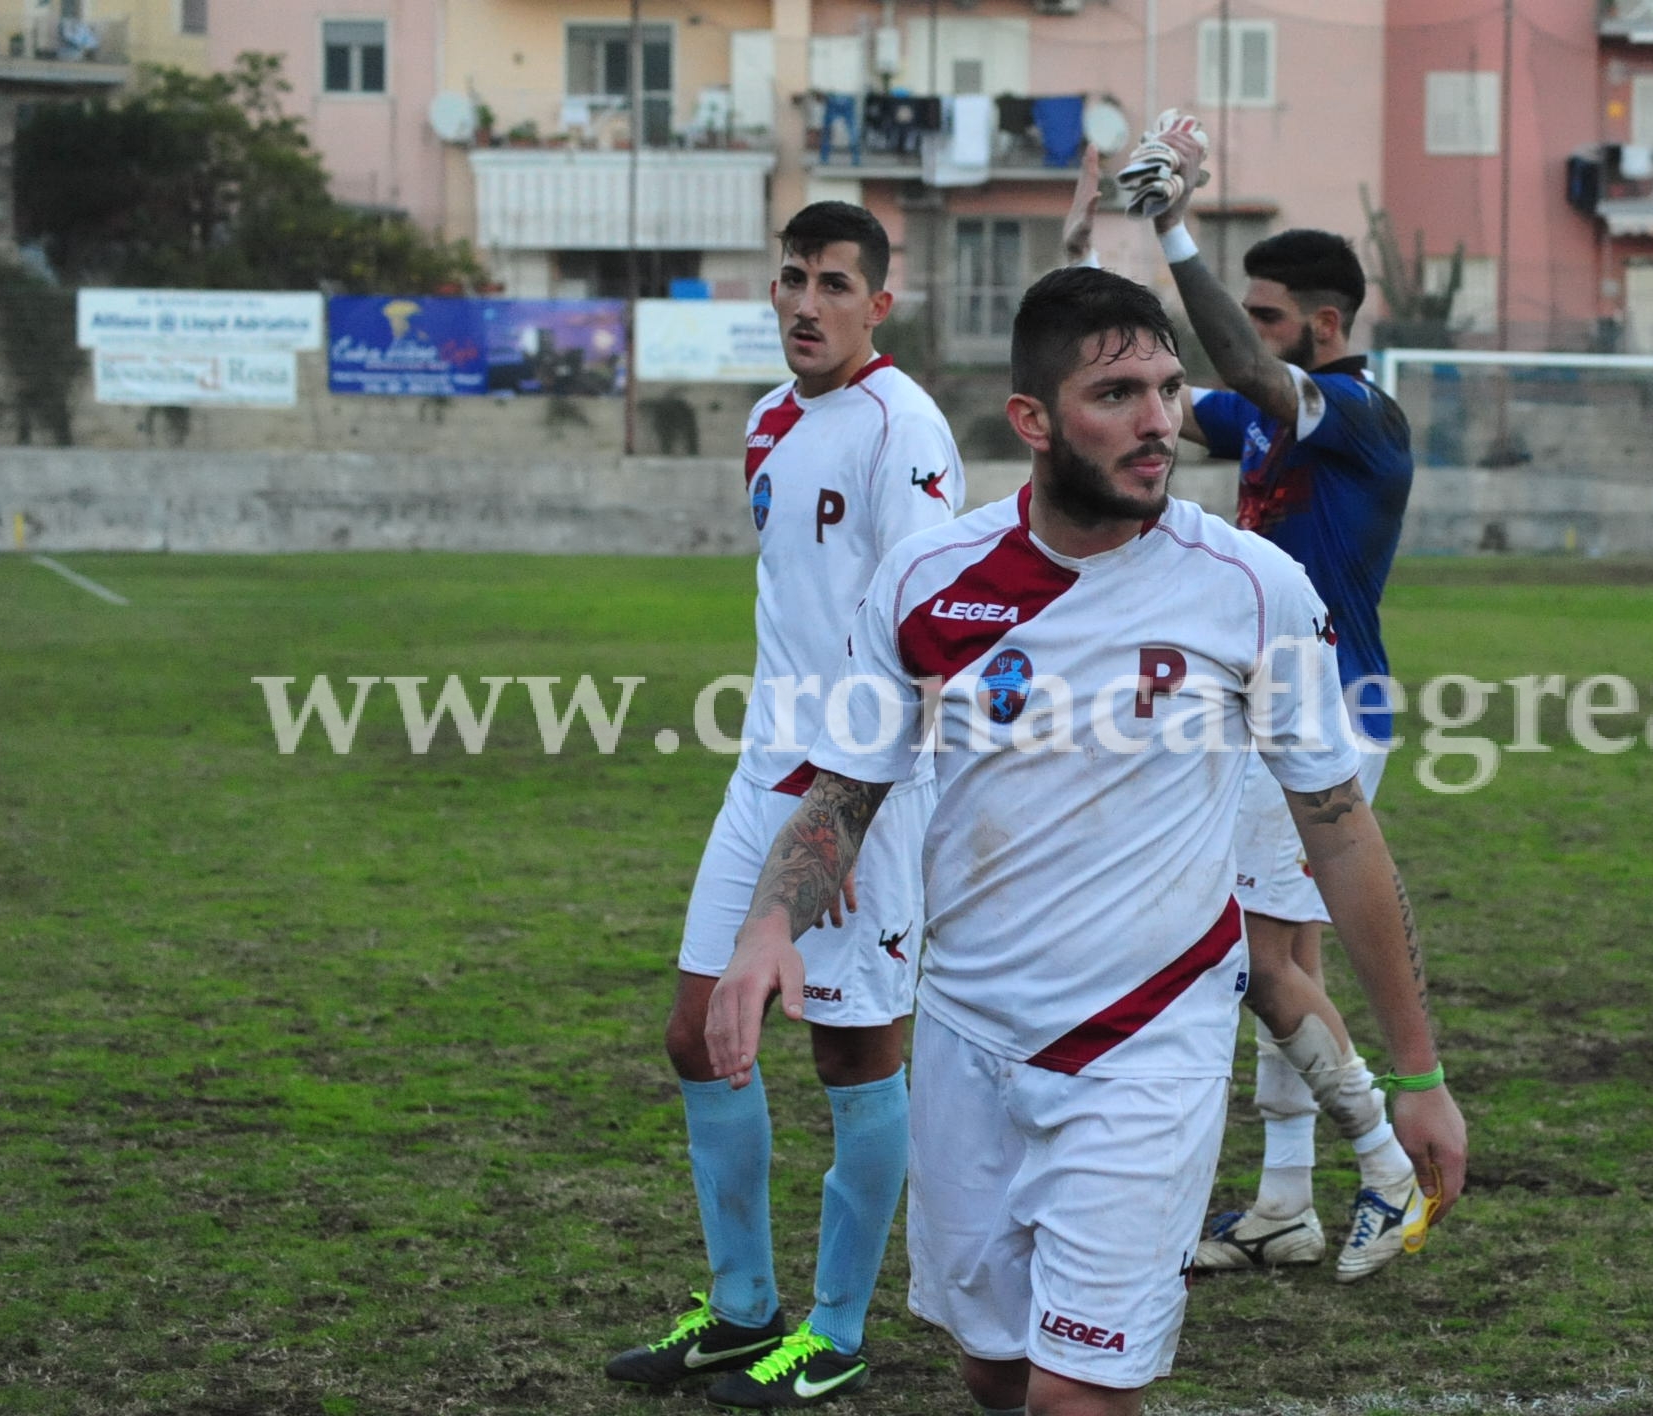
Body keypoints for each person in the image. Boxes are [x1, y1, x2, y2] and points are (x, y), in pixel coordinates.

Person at [703, 265, 1466, 1416]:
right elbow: (844, 789)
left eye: (1166, 388)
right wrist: (771, 925)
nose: (1158, 421)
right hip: (966, 1036)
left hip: (1147, 1046)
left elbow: (1342, 836)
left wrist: (1417, 1075)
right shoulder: (928, 582)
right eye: (1116, 394)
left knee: (1077, 1393)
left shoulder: (1251, 588)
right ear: (1032, 420)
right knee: (994, 1372)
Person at [603, 200, 965, 1406]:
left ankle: (836, 1327)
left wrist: (853, 806)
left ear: (879, 303)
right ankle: (741, 1308)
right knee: (700, 1036)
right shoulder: (765, 424)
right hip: (760, 777)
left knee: (855, 1057)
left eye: (834, 284)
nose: (806, 303)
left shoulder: (903, 425)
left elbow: (924, 628)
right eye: (793, 279)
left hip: (857, 792)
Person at [1074, 118, 1421, 1282]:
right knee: (1282, 956)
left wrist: (1174, 227)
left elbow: (1240, 372)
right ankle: (1282, 1202)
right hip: (1274, 716)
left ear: (1325, 326)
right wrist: (1100, 232)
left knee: (1254, 960)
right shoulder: (1274, 416)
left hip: (1320, 722)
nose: (1248, 337)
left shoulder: (1357, 415)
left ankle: (1386, 1163)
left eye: (1269, 314)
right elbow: (1157, 387)